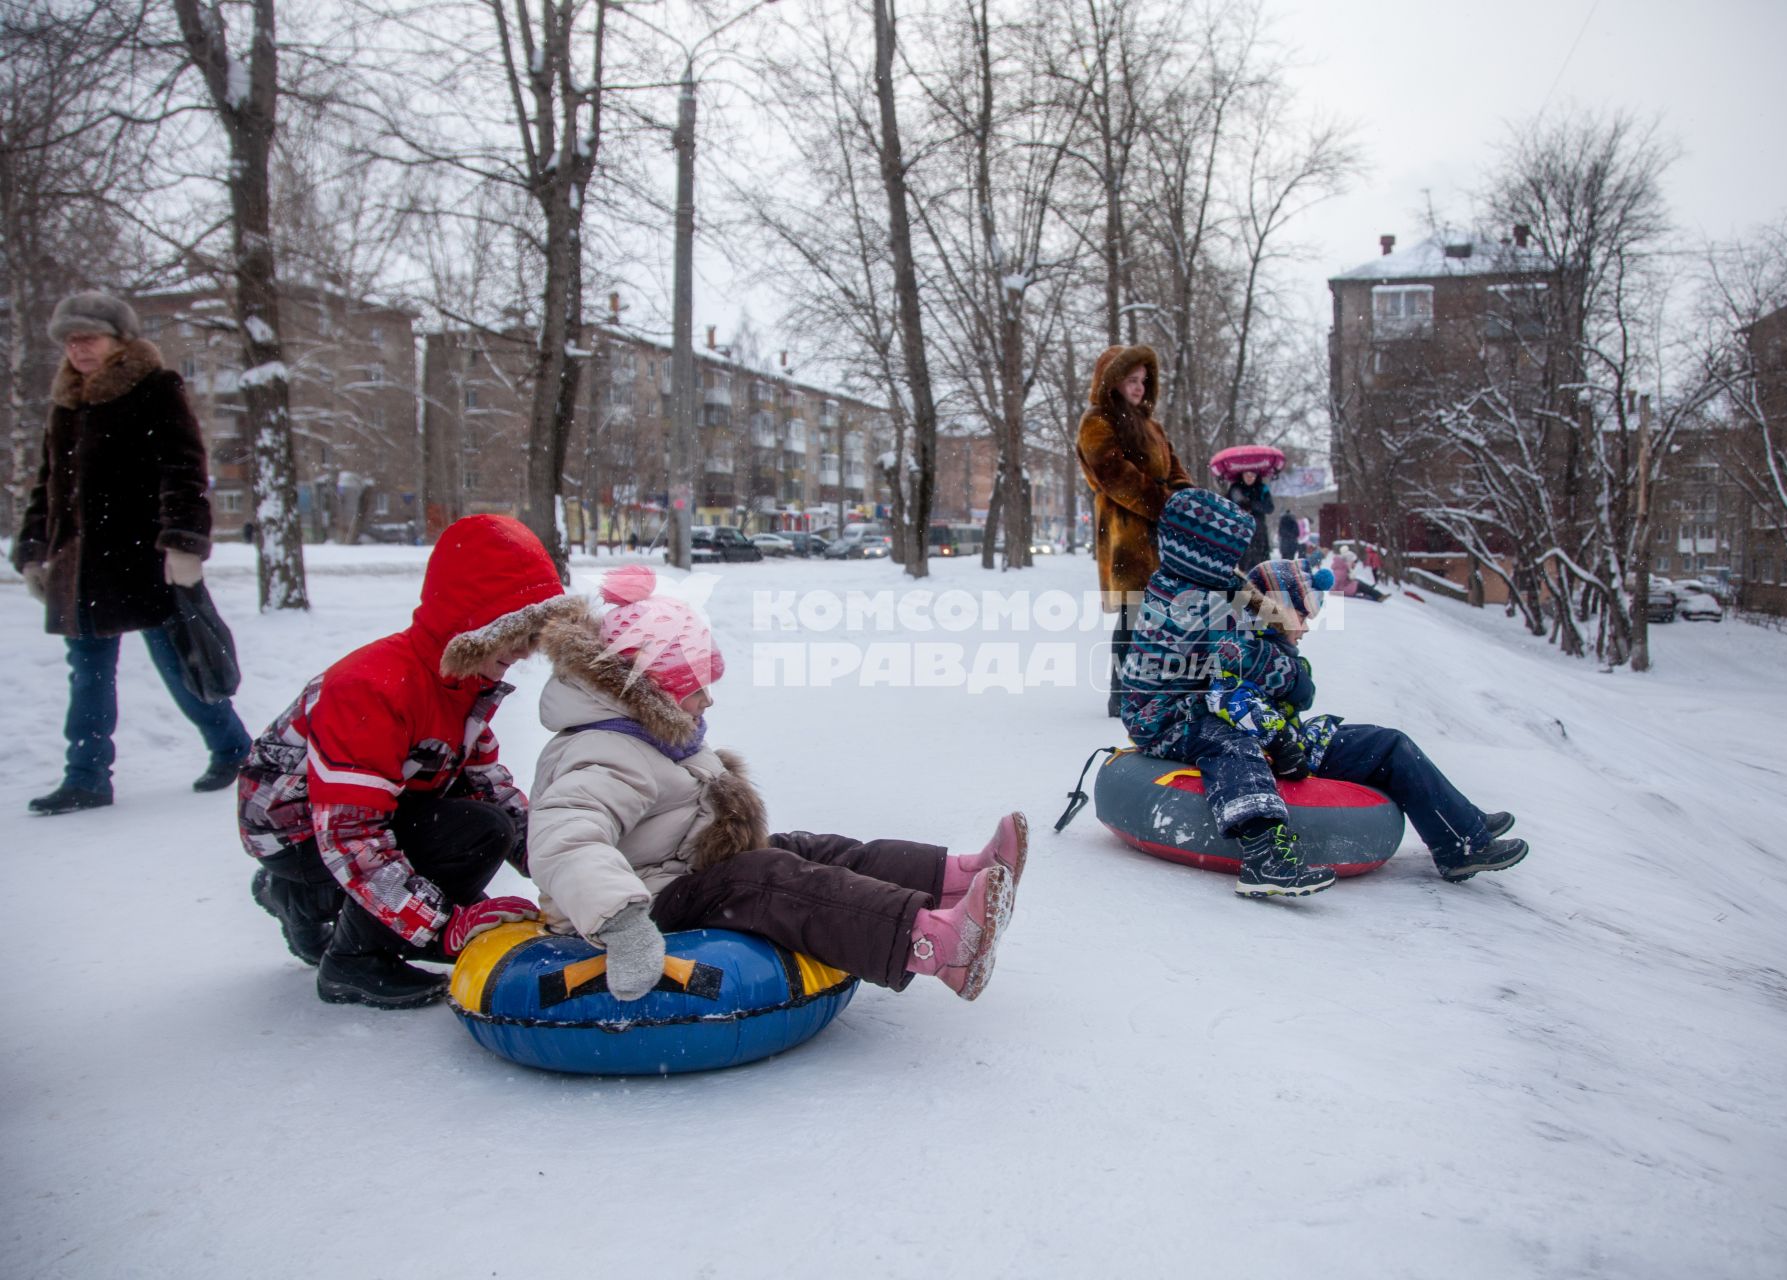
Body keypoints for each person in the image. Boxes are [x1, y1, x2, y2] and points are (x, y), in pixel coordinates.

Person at [526, 566, 1024, 1002]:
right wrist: (621, 921)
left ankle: (958, 878)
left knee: (811, 850)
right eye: (695, 687)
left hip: (682, 871)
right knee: (768, 879)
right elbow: (566, 839)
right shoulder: (602, 751)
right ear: (650, 689)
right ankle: (936, 945)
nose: (708, 701)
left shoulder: (651, 731)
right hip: (640, 906)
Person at [239, 514, 576, 1009]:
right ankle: (354, 963)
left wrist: (564, 872)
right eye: (515, 632)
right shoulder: (373, 688)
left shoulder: (463, 683)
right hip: (299, 830)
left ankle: (303, 898)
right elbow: (352, 837)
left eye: (535, 634)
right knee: (476, 833)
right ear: (472, 626)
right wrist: (443, 929)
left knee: (488, 823)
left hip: (367, 817)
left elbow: (490, 787)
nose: (527, 651)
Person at [12, 292, 251, 816]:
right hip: (79, 566)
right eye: (70, 340)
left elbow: (183, 469)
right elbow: (48, 484)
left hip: (145, 559)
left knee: (178, 663)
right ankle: (87, 777)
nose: (78, 349)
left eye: (88, 337)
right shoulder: (67, 402)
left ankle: (235, 751)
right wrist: (32, 549)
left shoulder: (154, 388)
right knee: (88, 671)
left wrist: (184, 544)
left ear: (119, 340)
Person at [1239, 559, 1529, 883]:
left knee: (1385, 739)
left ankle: (1465, 821)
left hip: (1291, 740)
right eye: (1304, 615)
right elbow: (1258, 699)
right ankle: (1460, 847)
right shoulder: (1253, 652)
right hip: (1281, 753)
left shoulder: (1260, 646)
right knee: (1390, 748)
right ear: (1277, 610)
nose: (1307, 627)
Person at [1116, 487, 1335, 899]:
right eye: (1229, 559)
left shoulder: (1186, 583)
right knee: (1230, 742)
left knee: (1237, 720)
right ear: (1209, 559)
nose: (1233, 569)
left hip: (1185, 701)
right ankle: (1262, 855)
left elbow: (1238, 609)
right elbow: (1246, 658)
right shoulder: (1191, 604)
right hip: (1159, 716)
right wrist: (1293, 673)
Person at [1076, 345, 1193, 718]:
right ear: (1113, 383)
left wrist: (1186, 498)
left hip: (1164, 532)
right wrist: (1165, 503)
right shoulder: (1097, 423)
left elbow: (1174, 468)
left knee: (1161, 614)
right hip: (1126, 534)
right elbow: (1115, 478)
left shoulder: (1150, 425)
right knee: (1133, 614)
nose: (1140, 387)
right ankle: (1122, 694)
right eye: (1131, 380)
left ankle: (1152, 689)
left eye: (1144, 380)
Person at [1226, 469, 1274, 571]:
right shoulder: (1235, 488)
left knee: (1260, 562)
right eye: (1246, 474)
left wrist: (1252, 504)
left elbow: (1269, 507)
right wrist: (1241, 507)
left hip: (1259, 531)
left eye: (1252, 474)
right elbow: (1227, 506)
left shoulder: (1262, 488)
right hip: (1240, 529)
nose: (1249, 477)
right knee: (1243, 562)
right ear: (1241, 474)